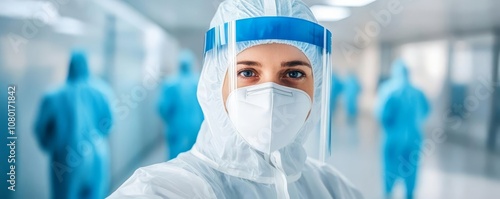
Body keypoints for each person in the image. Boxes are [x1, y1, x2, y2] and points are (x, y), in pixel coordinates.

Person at [108, 0, 363, 198]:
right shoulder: (165, 190)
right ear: (214, 82)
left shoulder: (332, 188)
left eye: (293, 74)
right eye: (248, 72)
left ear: (316, 87)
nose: (270, 96)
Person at [34, 50, 113, 199]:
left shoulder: (53, 96)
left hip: (66, 159)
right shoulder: (102, 92)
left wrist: (54, 146)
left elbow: (40, 130)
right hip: (97, 157)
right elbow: (108, 124)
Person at [375, 59, 430, 199]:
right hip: (413, 138)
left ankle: (388, 193)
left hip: (393, 138)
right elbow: (427, 110)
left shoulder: (387, 90)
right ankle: (409, 194)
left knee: (390, 168)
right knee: (411, 168)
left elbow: (381, 114)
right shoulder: (418, 92)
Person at [157, 49, 204, 160]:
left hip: (176, 127)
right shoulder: (199, 82)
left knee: (176, 160)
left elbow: (162, 108)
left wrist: (170, 121)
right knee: (195, 158)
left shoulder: (170, 84)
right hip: (197, 126)